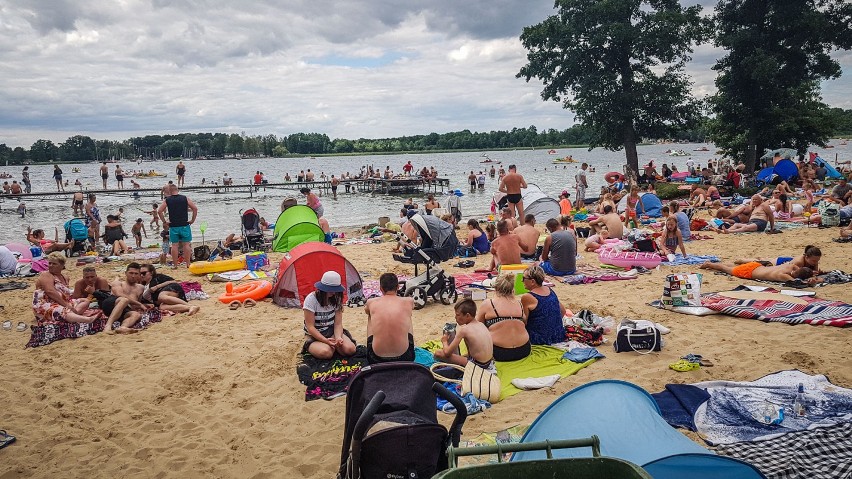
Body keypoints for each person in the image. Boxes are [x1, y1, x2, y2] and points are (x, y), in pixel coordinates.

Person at [300, 270, 356, 359]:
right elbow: (310, 327)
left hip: (331, 331)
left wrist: (338, 337)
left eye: (335, 290)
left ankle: (333, 345)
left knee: (350, 349)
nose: (333, 293)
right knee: (326, 352)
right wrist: (325, 340)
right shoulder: (311, 300)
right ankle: (311, 346)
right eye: (331, 290)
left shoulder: (336, 298)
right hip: (314, 334)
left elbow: (338, 324)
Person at [476, 274, 531, 362]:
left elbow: (477, 326)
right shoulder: (518, 304)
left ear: (496, 288)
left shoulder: (488, 303)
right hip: (523, 350)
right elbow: (524, 322)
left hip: (498, 352)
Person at [32, 253, 99, 324]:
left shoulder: (65, 277)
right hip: (47, 304)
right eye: (50, 263)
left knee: (85, 301)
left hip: (61, 302)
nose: (50, 265)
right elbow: (50, 291)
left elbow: (66, 293)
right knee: (62, 310)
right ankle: (87, 320)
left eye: (54, 264)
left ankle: (72, 316)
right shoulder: (46, 275)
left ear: (62, 265)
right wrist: (67, 305)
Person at [364, 273, 415, 364]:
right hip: (406, 357)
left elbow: (366, 311)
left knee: (371, 315)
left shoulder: (371, 302)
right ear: (398, 287)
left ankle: (371, 344)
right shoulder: (408, 301)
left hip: (375, 358)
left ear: (381, 288)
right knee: (407, 314)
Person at [433, 299, 495, 373]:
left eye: (458, 315)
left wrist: (444, 341)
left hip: (478, 365)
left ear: (467, 315)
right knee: (464, 355)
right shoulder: (481, 324)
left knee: (438, 353)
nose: (455, 317)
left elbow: (447, 353)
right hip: (488, 362)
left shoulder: (464, 330)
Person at [521, 265, 567, 345]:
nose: (522, 281)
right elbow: (563, 311)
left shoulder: (527, 297)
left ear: (532, 281)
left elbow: (524, 322)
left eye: (524, 278)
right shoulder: (549, 290)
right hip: (558, 335)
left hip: (539, 339)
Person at [157, 184, 198, 269]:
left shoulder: (168, 200)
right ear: (177, 190)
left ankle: (175, 265)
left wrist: (164, 221)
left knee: (174, 245)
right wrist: (192, 220)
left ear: (169, 191)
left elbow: (159, 211)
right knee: (186, 244)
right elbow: (195, 208)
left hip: (173, 225)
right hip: (184, 224)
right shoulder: (184, 198)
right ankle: (188, 264)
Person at [103, 263, 148, 333]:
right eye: (131, 273)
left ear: (139, 275)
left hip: (124, 310)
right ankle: (108, 326)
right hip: (111, 304)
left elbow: (135, 305)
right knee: (124, 300)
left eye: (136, 274)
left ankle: (123, 327)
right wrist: (139, 304)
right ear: (126, 273)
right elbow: (119, 294)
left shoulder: (141, 288)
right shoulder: (118, 283)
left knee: (136, 315)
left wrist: (143, 305)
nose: (133, 276)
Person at [700, 260, 818, 284]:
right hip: (749, 273)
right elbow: (796, 283)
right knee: (725, 269)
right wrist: (809, 282)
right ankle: (709, 264)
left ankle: (718, 263)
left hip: (756, 266)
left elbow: (799, 271)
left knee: (732, 267)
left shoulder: (791, 267)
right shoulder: (783, 276)